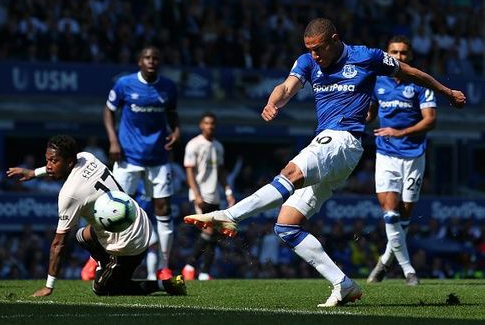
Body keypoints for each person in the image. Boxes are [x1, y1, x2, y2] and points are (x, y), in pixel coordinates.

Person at [184, 18, 466, 307]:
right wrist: (273, 103)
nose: (315, 56)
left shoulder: (365, 56)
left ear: (334, 39)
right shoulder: (307, 61)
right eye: (310, 50)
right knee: (286, 227)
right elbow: (287, 87)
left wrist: (447, 93)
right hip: (329, 146)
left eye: (319, 49)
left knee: (289, 172)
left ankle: (231, 215)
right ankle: (342, 284)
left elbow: (411, 73)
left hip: (344, 140)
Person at [6, 135, 186, 297]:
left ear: (69, 163)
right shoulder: (86, 157)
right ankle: (106, 262)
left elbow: (58, 244)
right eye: (47, 161)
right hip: (137, 219)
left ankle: (164, 285)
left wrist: (49, 286)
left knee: (103, 290)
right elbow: (59, 165)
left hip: (128, 244)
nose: (49, 166)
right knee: (81, 236)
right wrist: (34, 172)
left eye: (54, 161)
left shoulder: (70, 194)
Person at [102, 45, 181, 280]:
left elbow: (172, 113)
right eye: (147, 57)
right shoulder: (124, 84)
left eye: (156, 58)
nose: (151, 61)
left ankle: (164, 267)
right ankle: (100, 262)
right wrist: (113, 141)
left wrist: (176, 130)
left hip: (158, 159)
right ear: (139, 61)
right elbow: (108, 111)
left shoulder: (168, 87)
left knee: (163, 210)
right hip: (128, 158)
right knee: (115, 211)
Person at [365, 36, 437, 286]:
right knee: (390, 214)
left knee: (404, 217)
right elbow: (370, 115)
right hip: (386, 155)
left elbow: (430, 121)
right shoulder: (377, 81)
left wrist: (400, 132)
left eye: (404, 53)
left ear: (410, 56)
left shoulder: (419, 82)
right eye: (394, 52)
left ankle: (384, 263)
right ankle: (409, 271)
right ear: (387, 54)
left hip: (414, 155)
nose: (398, 57)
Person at [181, 112, 236, 281]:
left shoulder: (218, 146)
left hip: (214, 196)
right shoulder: (194, 145)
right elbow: (189, 171)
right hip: (200, 195)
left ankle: (203, 271)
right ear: (201, 125)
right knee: (209, 231)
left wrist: (228, 191)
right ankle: (190, 267)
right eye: (206, 123)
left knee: (214, 234)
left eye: (212, 123)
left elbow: (220, 172)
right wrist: (196, 195)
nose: (209, 126)